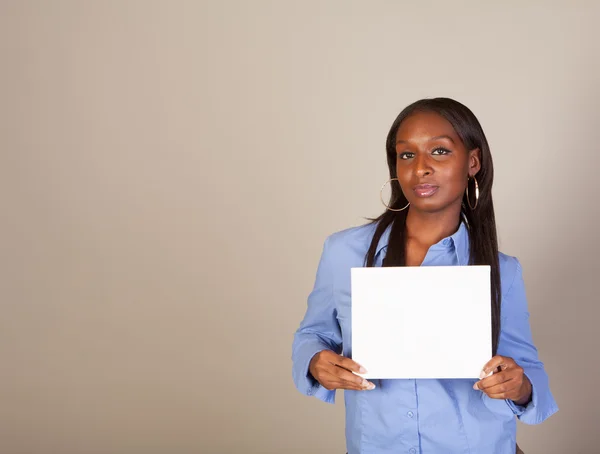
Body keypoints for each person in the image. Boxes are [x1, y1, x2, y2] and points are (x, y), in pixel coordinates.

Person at [291, 98, 558, 454]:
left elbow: (528, 371)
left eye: (440, 151)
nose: (421, 168)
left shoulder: (502, 271)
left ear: (472, 162)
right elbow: (313, 333)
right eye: (407, 155)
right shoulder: (344, 253)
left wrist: (518, 384)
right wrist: (315, 360)